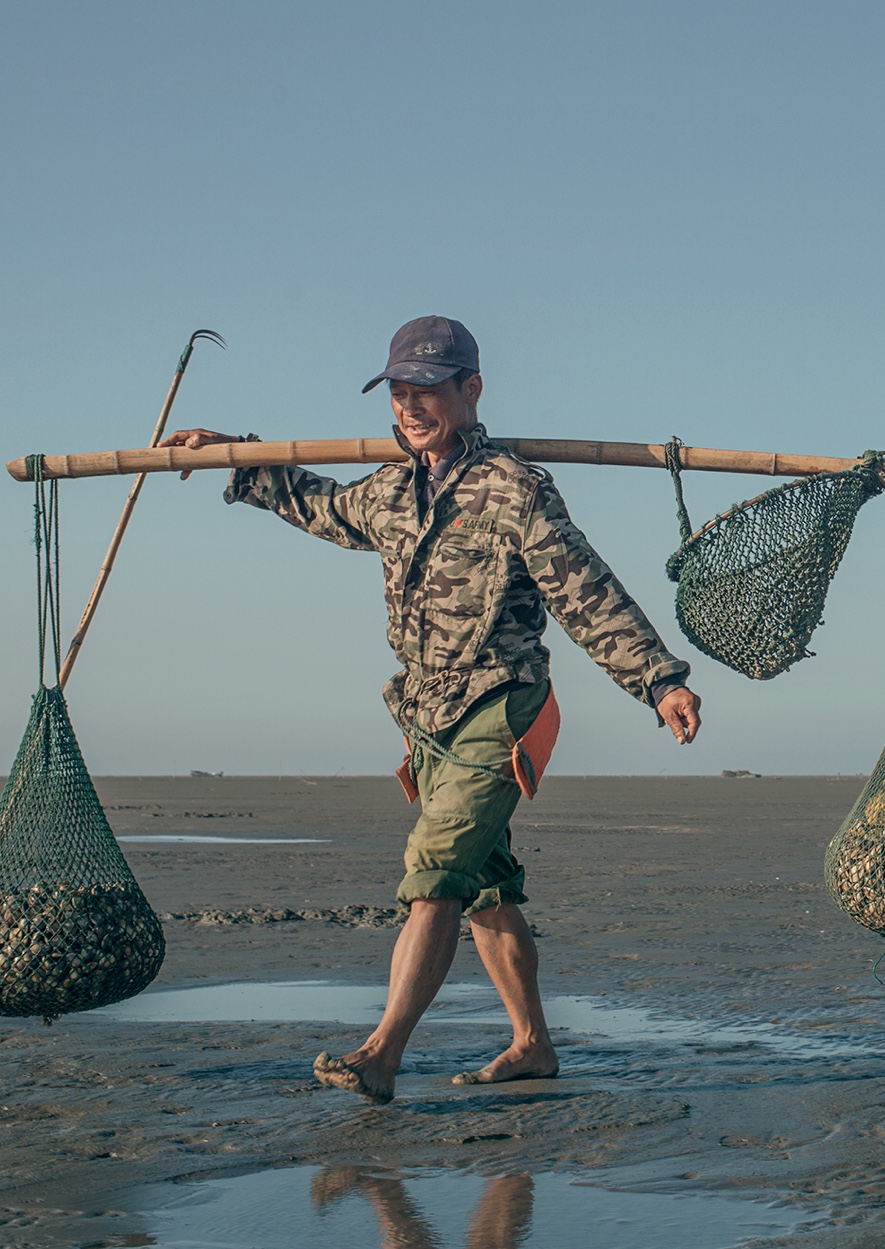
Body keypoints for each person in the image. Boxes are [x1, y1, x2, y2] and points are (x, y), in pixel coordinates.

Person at [162, 315, 701, 1104]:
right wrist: (238, 458)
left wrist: (659, 680)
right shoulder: (389, 489)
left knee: (437, 869)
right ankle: (532, 1044)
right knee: (485, 885)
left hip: (500, 702)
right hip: (425, 715)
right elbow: (322, 507)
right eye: (399, 391)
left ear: (471, 389)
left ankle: (380, 1052)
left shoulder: (515, 490)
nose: (410, 406)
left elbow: (587, 591)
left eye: (427, 389)